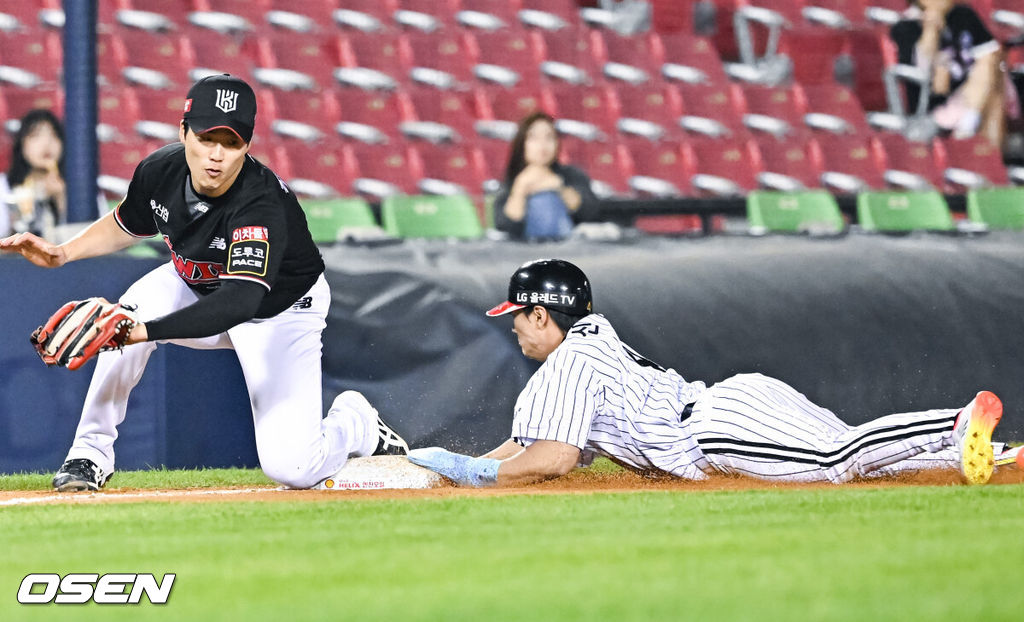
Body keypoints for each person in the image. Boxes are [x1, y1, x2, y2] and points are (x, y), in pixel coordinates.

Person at [0, 74, 407, 492]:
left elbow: (240, 302)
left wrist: (142, 332)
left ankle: (356, 424)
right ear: (183, 132)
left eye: (230, 143)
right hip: (195, 286)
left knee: (293, 468)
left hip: (279, 313)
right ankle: (88, 455)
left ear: (247, 146)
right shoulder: (160, 170)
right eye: (206, 137)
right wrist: (64, 252)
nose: (216, 155)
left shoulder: (261, 203)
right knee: (120, 316)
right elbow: (129, 222)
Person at [407, 258, 1020, 487]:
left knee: (836, 463)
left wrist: (476, 473)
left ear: (543, 315)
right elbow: (526, 444)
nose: (512, 326)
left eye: (518, 314)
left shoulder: (568, 362)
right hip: (736, 399)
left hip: (713, 426)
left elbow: (554, 457)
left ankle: (954, 421)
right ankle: (996, 457)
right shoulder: (592, 336)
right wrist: (480, 465)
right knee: (852, 449)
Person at [890, 0, 1018, 147]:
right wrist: (931, 31)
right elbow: (922, 77)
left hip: (973, 93)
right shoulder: (905, 27)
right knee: (992, 95)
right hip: (932, 107)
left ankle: (974, 142)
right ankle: (976, 149)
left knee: (993, 80)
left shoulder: (964, 14)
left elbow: (990, 55)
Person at [492, 112, 597, 241]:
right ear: (522, 143)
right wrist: (521, 189)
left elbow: (589, 212)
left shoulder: (572, 175)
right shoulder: (511, 181)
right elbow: (504, 225)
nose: (543, 144)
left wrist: (558, 187)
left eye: (549, 137)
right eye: (534, 138)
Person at [1, 109, 67, 239]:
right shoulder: (3, 186)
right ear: (22, 144)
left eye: (54, 135)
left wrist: (61, 198)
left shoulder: (82, 188)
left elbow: (94, 239)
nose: (47, 143)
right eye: (36, 136)